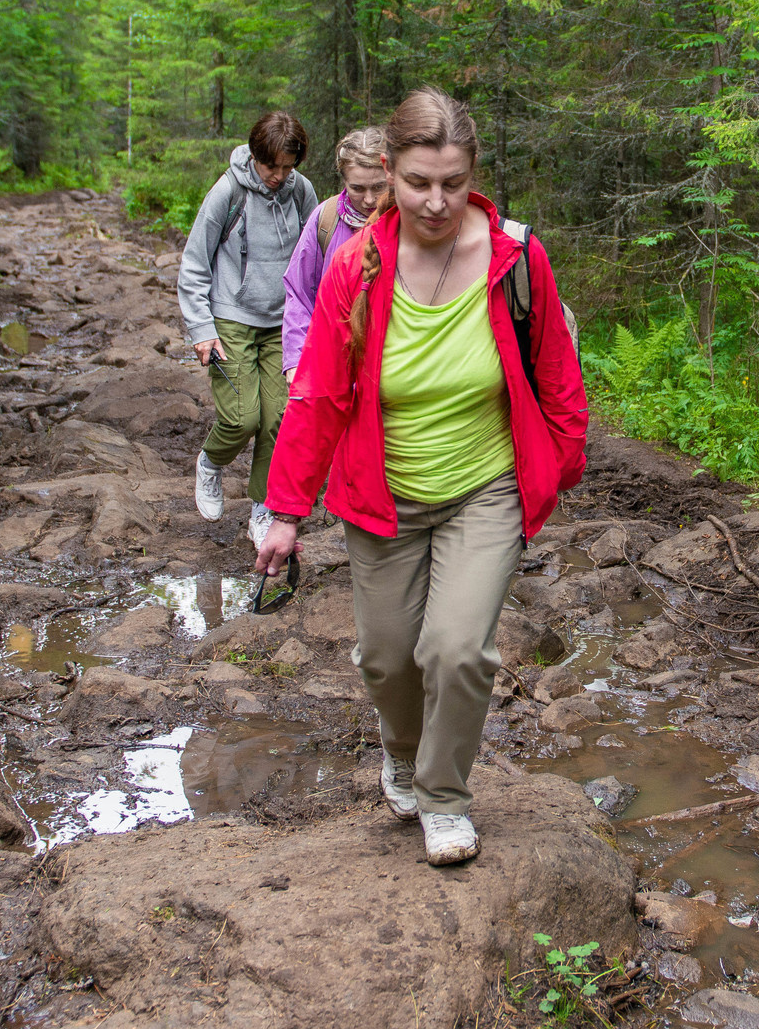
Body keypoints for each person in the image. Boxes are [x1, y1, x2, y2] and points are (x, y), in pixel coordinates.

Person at [257, 90, 587, 865]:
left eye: (452, 180)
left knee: (456, 649)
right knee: (386, 655)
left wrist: (556, 470)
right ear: (385, 173)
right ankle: (401, 752)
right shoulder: (355, 266)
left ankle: (444, 796)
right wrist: (284, 510)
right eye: (417, 182)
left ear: (473, 170)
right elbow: (318, 396)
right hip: (384, 494)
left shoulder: (516, 257)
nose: (436, 201)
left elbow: (557, 380)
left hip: (485, 487)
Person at [177, 111, 319, 545]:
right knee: (242, 419)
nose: (278, 176)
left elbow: (317, 252)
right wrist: (202, 329)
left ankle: (263, 507)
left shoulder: (301, 191)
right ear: (255, 155)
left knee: (279, 419)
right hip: (231, 318)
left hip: (283, 323)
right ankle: (210, 463)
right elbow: (195, 263)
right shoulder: (228, 191)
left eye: (288, 166)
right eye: (271, 165)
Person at [279, 126, 388, 378]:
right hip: (331, 364)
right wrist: (296, 361)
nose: (369, 200)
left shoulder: (410, 223)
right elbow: (299, 291)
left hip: (389, 368)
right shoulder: (326, 219)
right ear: (343, 180)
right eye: (357, 188)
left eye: (379, 187)